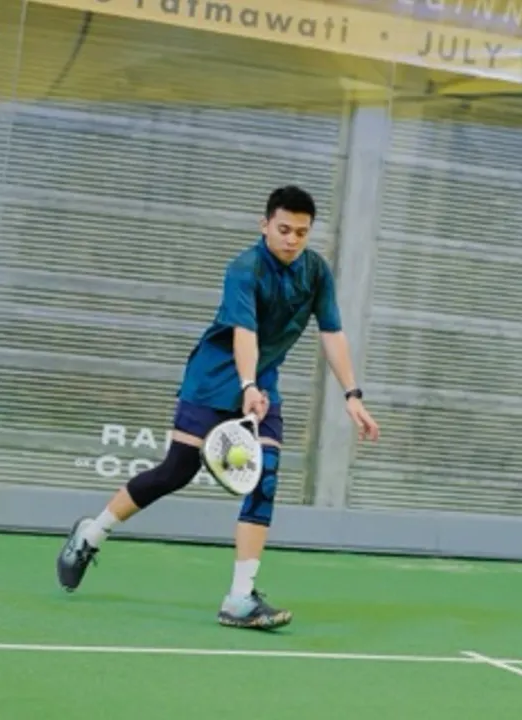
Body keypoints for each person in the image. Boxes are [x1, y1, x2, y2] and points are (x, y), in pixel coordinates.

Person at [56, 185, 380, 630]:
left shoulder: (316, 272)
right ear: (265, 225)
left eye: (301, 232)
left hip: (262, 384)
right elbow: (245, 332)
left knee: (264, 479)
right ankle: (91, 533)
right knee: (175, 472)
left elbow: (332, 333)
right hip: (213, 380)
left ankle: (239, 598)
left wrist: (352, 395)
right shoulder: (244, 269)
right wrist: (246, 384)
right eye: (284, 229)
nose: (292, 239)